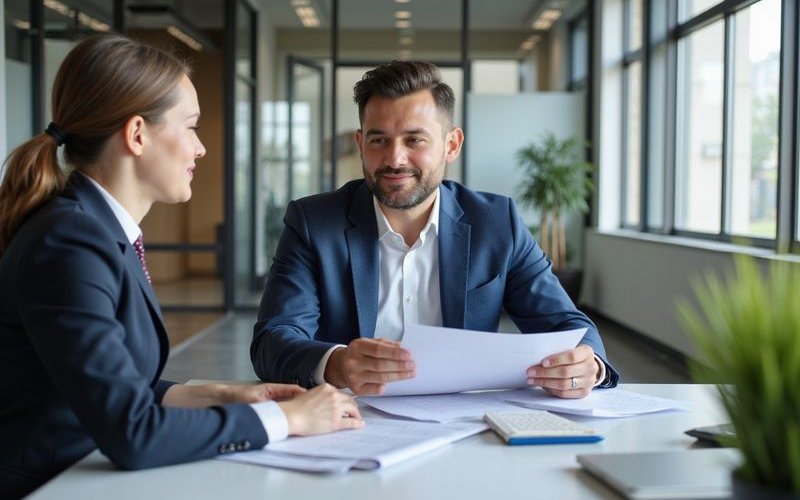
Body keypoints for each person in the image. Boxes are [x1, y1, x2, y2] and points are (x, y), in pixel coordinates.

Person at [0, 34, 362, 499]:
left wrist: (226, 394)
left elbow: (120, 390)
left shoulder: (93, 229)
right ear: (136, 135)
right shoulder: (70, 242)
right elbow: (132, 433)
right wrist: (287, 419)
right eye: (190, 127)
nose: (200, 148)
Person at [251, 60, 619, 398]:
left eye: (415, 140)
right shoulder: (313, 222)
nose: (395, 159)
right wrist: (338, 364)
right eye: (379, 140)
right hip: (347, 417)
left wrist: (589, 366)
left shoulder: (496, 222)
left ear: (451, 145)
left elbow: (568, 324)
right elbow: (272, 341)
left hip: (463, 422)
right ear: (361, 145)